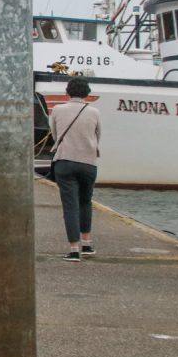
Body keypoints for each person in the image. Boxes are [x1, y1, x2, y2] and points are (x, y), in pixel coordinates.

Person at [50, 77, 101, 261]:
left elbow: (55, 135)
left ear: (68, 92)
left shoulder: (57, 110)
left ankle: (74, 249)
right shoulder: (94, 112)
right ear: (87, 93)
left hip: (65, 161)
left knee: (70, 206)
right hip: (88, 162)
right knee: (85, 202)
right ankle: (87, 244)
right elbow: (98, 136)